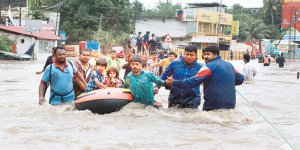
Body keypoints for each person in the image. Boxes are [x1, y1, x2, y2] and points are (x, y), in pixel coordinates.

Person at [165, 46, 244, 111]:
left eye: (208, 54)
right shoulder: (229, 64)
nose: (205, 57)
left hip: (212, 105)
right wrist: (224, 83)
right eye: (205, 54)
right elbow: (240, 79)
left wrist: (174, 82)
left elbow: (193, 81)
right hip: (230, 104)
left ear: (216, 55)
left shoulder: (208, 67)